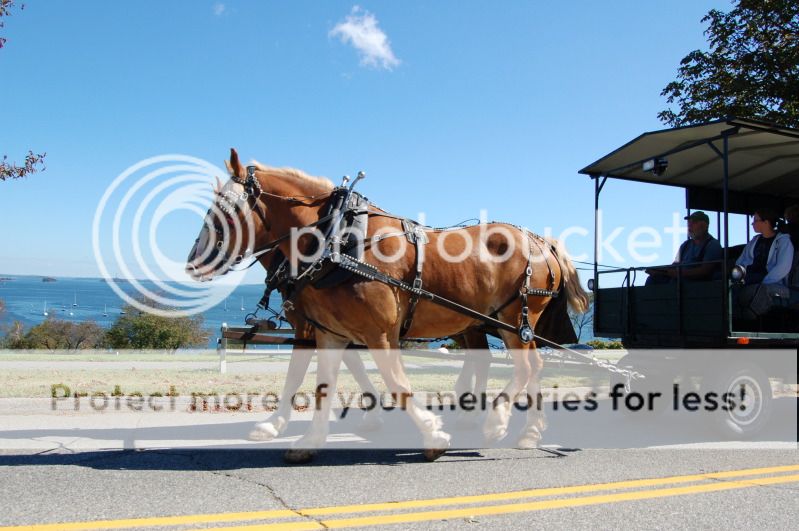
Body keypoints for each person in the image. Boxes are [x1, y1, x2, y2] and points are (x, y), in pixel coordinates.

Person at [733, 207, 794, 320]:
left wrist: (764, 281)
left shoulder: (783, 241)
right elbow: (741, 262)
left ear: (766, 222)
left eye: (755, 220)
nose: (752, 224)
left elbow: (783, 267)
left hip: (770, 280)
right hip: (749, 277)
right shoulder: (754, 241)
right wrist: (739, 275)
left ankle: (743, 318)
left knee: (746, 288)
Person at [645, 211, 722, 284]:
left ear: (705, 225)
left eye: (694, 222)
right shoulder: (685, 245)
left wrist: (679, 273)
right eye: (689, 223)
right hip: (678, 279)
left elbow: (705, 270)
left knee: (674, 283)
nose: (690, 225)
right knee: (652, 279)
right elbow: (674, 265)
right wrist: (659, 271)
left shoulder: (713, 245)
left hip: (697, 284)